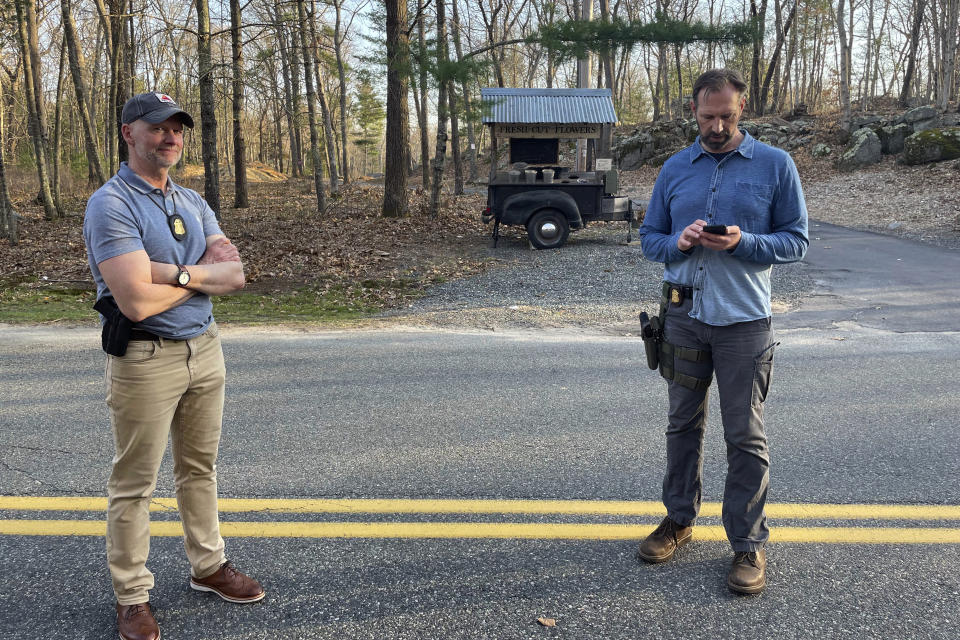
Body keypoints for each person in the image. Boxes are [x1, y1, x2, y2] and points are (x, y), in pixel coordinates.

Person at [82, 92, 263, 640]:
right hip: (144, 356)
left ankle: (208, 566)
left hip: (205, 350)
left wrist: (170, 274)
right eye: (157, 127)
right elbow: (135, 304)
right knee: (135, 484)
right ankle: (132, 596)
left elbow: (235, 275)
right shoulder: (111, 204)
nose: (170, 136)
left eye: (177, 128)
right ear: (128, 134)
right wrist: (197, 274)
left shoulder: (192, 200)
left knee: (199, 469)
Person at [636, 69, 808, 594]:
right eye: (707, 116)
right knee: (682, 425)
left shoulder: (776, 166)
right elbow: (649, 239)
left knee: (745, 435)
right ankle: (679, 520)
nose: (716, 126)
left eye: (726, 117)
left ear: (742, 109)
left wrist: (743, 243)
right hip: (683, 320)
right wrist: (680, 243)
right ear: (693, 110)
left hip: (744, 323)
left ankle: (747, 543)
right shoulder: (674, 168)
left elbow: (796, 242)